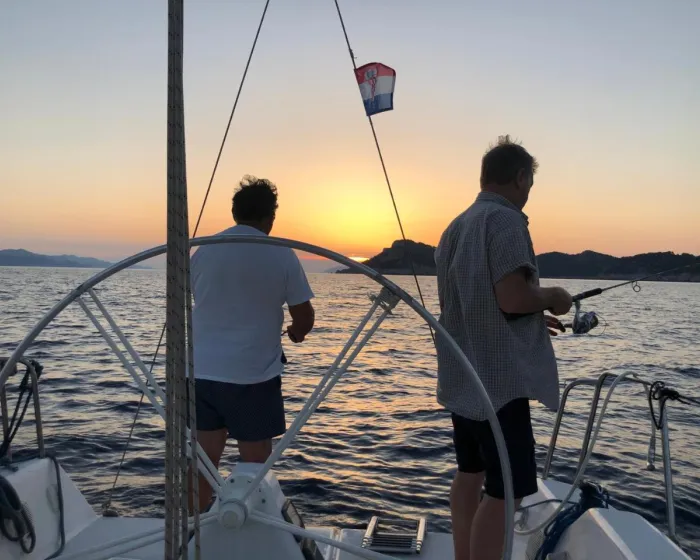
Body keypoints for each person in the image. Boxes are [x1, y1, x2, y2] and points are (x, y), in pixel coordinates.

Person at [434, 136, 573, 560]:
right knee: (505, 490)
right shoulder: (507, 221)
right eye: (530, 183)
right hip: (498, 387)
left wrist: (531, 317)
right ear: (521, 177)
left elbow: (473, 305)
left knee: (469, 473)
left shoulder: (454, 227)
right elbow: (512, 297)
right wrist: (554, 297)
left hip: (463, 381)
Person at [188, 175, 315, 512]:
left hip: (201, 374)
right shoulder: (280, 253)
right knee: (254, 468)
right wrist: (296, 333)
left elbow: (200, 299)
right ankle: (248, 530)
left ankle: (192, 530)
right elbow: (304, 318)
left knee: (202, 463)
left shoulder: (203, 251)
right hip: (253, 377)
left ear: (235, 213)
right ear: (270, 216)